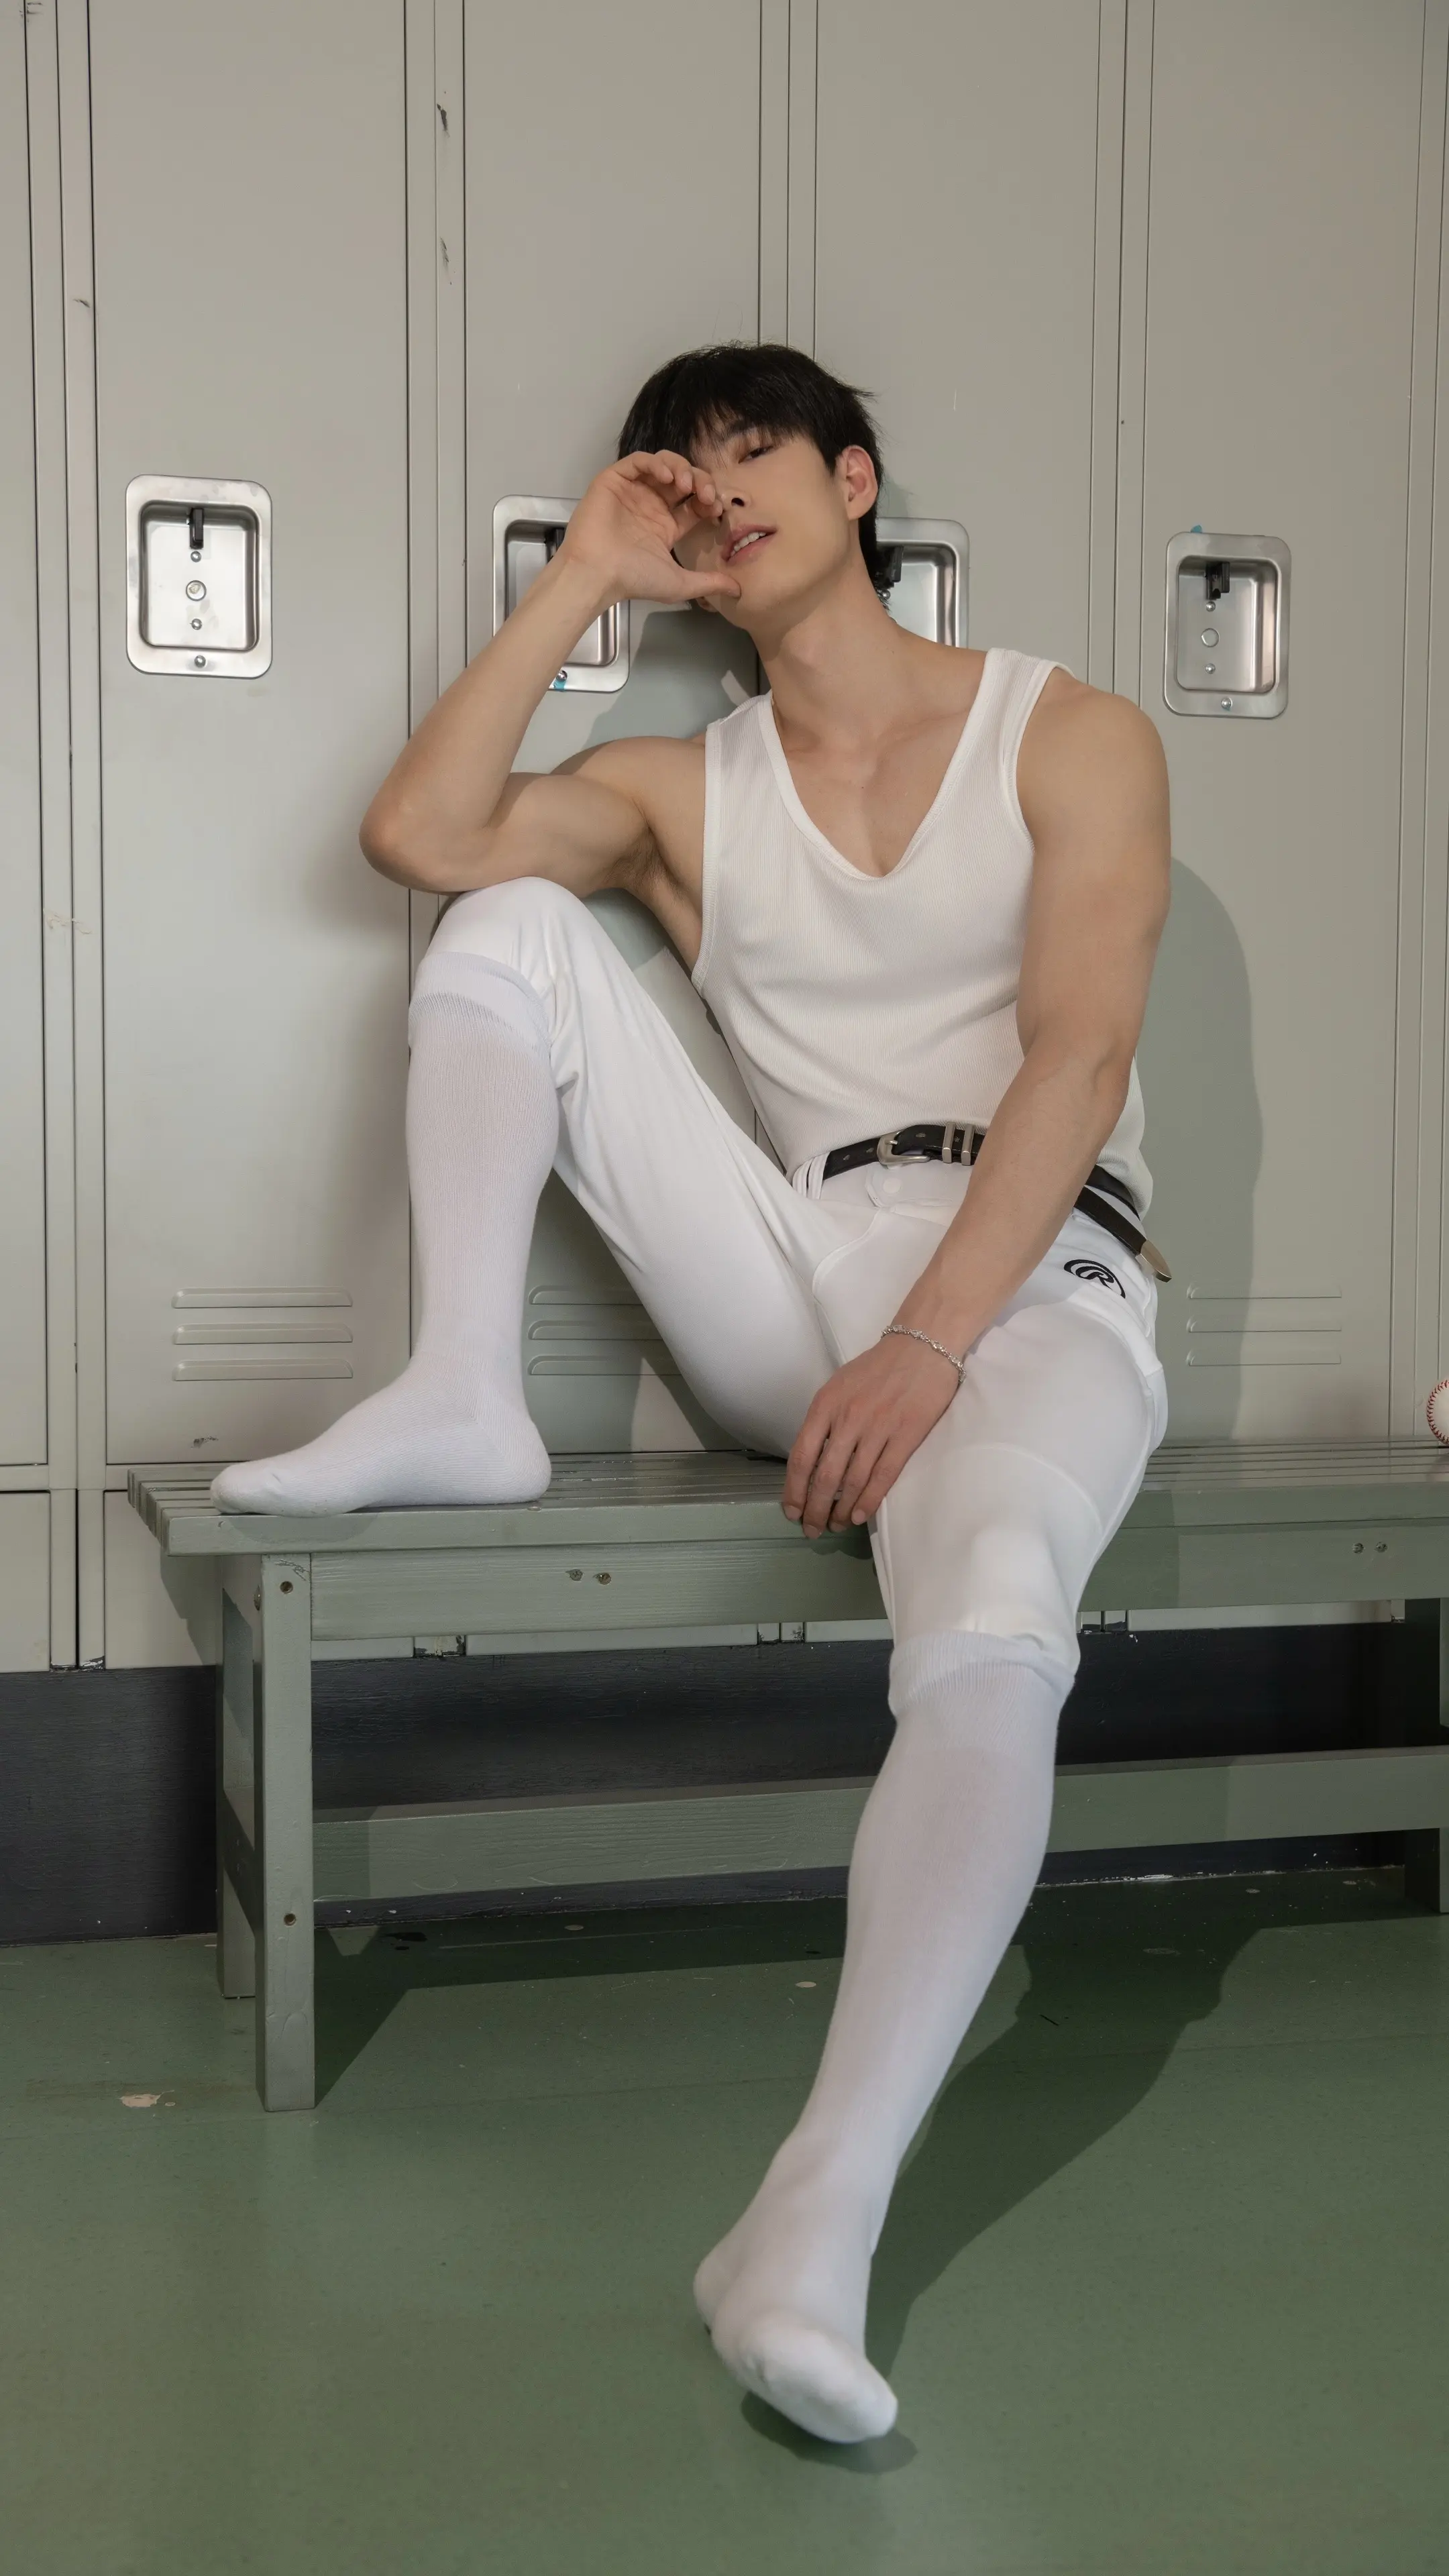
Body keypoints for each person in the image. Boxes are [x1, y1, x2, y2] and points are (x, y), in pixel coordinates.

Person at [213, 343, 1173, 2445]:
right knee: (501, 924)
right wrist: (581, 582)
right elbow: (418, 833)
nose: (721, 489)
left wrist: (933, 1339)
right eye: (683, 469)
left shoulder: (1068, 730)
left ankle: (812, 2225)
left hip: (1025, 1275)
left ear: (858, 478)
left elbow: (1082, 1054)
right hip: (796, 1266)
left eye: (758, 453)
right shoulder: (683, 785)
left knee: (997, 1615)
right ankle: (464, 1387)